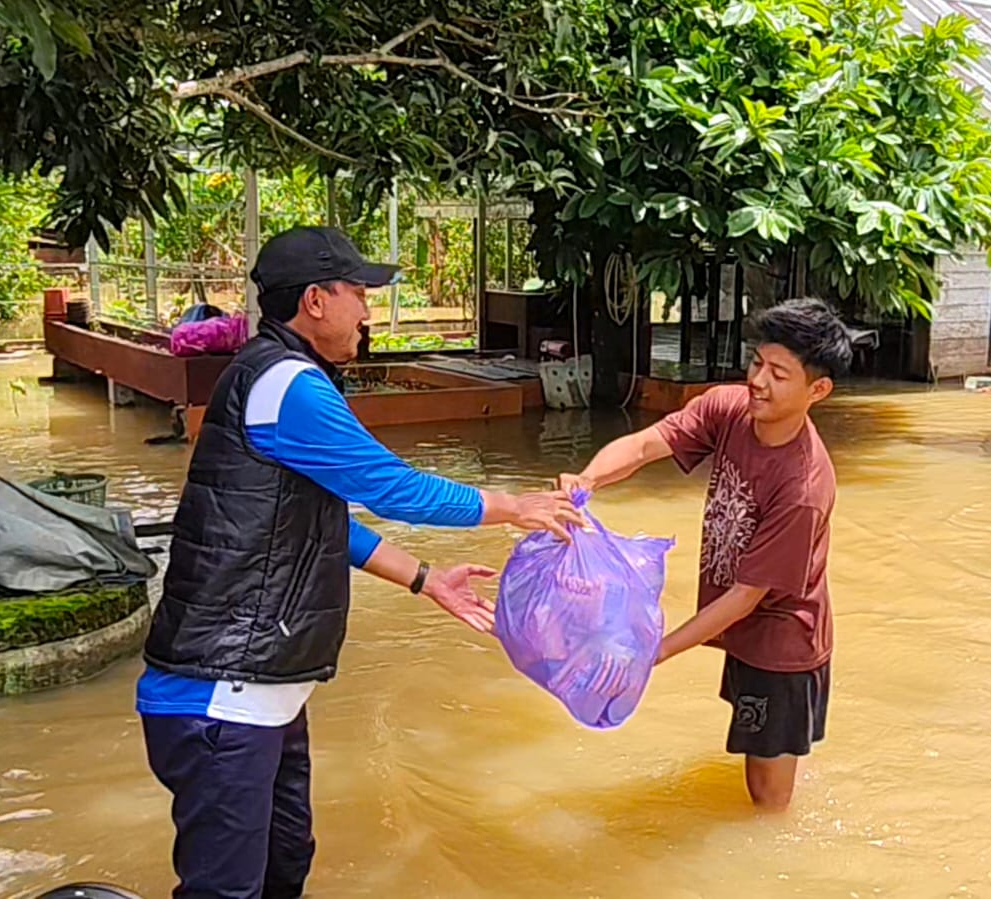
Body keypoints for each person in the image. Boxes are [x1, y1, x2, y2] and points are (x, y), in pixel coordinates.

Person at [138, 226, 581, 899]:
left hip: (263, 691)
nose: (367, 312)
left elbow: (318, 524)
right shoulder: (289, 385)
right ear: (316, 301)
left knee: (285, 863)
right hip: (222, 691)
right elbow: (393, 488)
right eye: (359, 294)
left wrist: (426, 580)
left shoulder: (272, 374)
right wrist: (512, 506)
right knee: (229, 890)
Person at [560, 298, 851, 811]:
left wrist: (654, 652)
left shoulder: (803, 487)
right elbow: (647, 445)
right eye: (757, 362)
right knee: (757, 751)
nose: (758, 381)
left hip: (781, 641)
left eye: (779, 374)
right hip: (744, 627)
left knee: (767, 796)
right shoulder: (729, 408)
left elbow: (745, 597)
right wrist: (587, 480)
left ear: (818, 390)